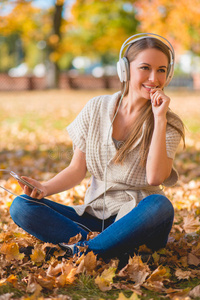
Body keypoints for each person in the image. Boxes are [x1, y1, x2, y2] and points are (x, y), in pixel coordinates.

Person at [10, 33, 185, 260]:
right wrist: (44, 188)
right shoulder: (96, 108)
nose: (154, 78)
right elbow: (77, 170)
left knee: (160, 204)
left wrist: (159, 119)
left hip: (140, 220)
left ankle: (87, 250)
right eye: (145, 68)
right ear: (125, 69)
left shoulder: (168, 123)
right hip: (96, 216)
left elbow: (154, 179)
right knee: (21, 205)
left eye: (161, 70)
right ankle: (100, 249)